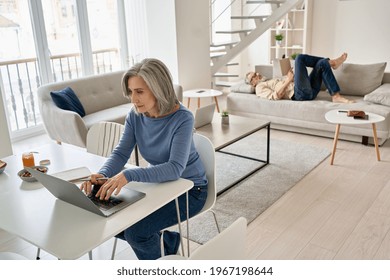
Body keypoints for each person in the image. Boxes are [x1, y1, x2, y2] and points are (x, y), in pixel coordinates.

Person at [80, 58, 208, 260]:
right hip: (159, 186)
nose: (133, 99)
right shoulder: (135, 115)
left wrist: (128, 175)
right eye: (131, 92)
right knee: (110, 219)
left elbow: (175, 168)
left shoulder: (182, 118)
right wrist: (103, 174)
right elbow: (121, 153)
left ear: (158, 89)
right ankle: (167, 243)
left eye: (139, 91)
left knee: (136, 233)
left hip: (191, 190)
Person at [245, 53, 354, 103]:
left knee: (321, 63)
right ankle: (332, 63)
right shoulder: (259, 88)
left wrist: (291, 78)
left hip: (309, 90)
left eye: (256, 73)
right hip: (299, 94)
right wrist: (288, 80)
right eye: (254, 76)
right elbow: (276, 96)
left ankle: (335, 95)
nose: (257, 74)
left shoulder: (269, 80)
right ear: (252, 83)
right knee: (299, 58)